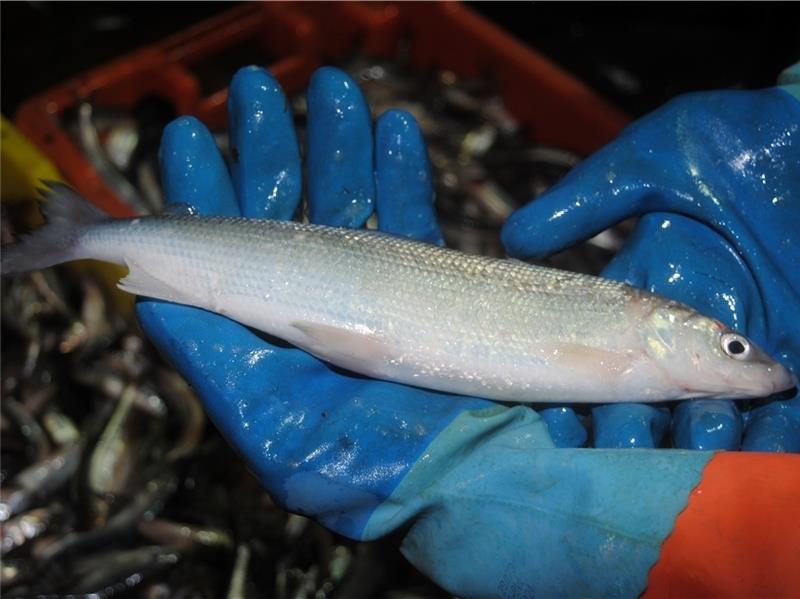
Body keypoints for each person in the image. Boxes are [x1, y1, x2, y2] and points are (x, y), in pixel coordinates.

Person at [137, 64, 800, 597]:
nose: (756, 366)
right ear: (665, 328)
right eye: (733, 347)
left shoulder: (651, 355)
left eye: (736, 347)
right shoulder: (633, 330)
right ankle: (115, 241)